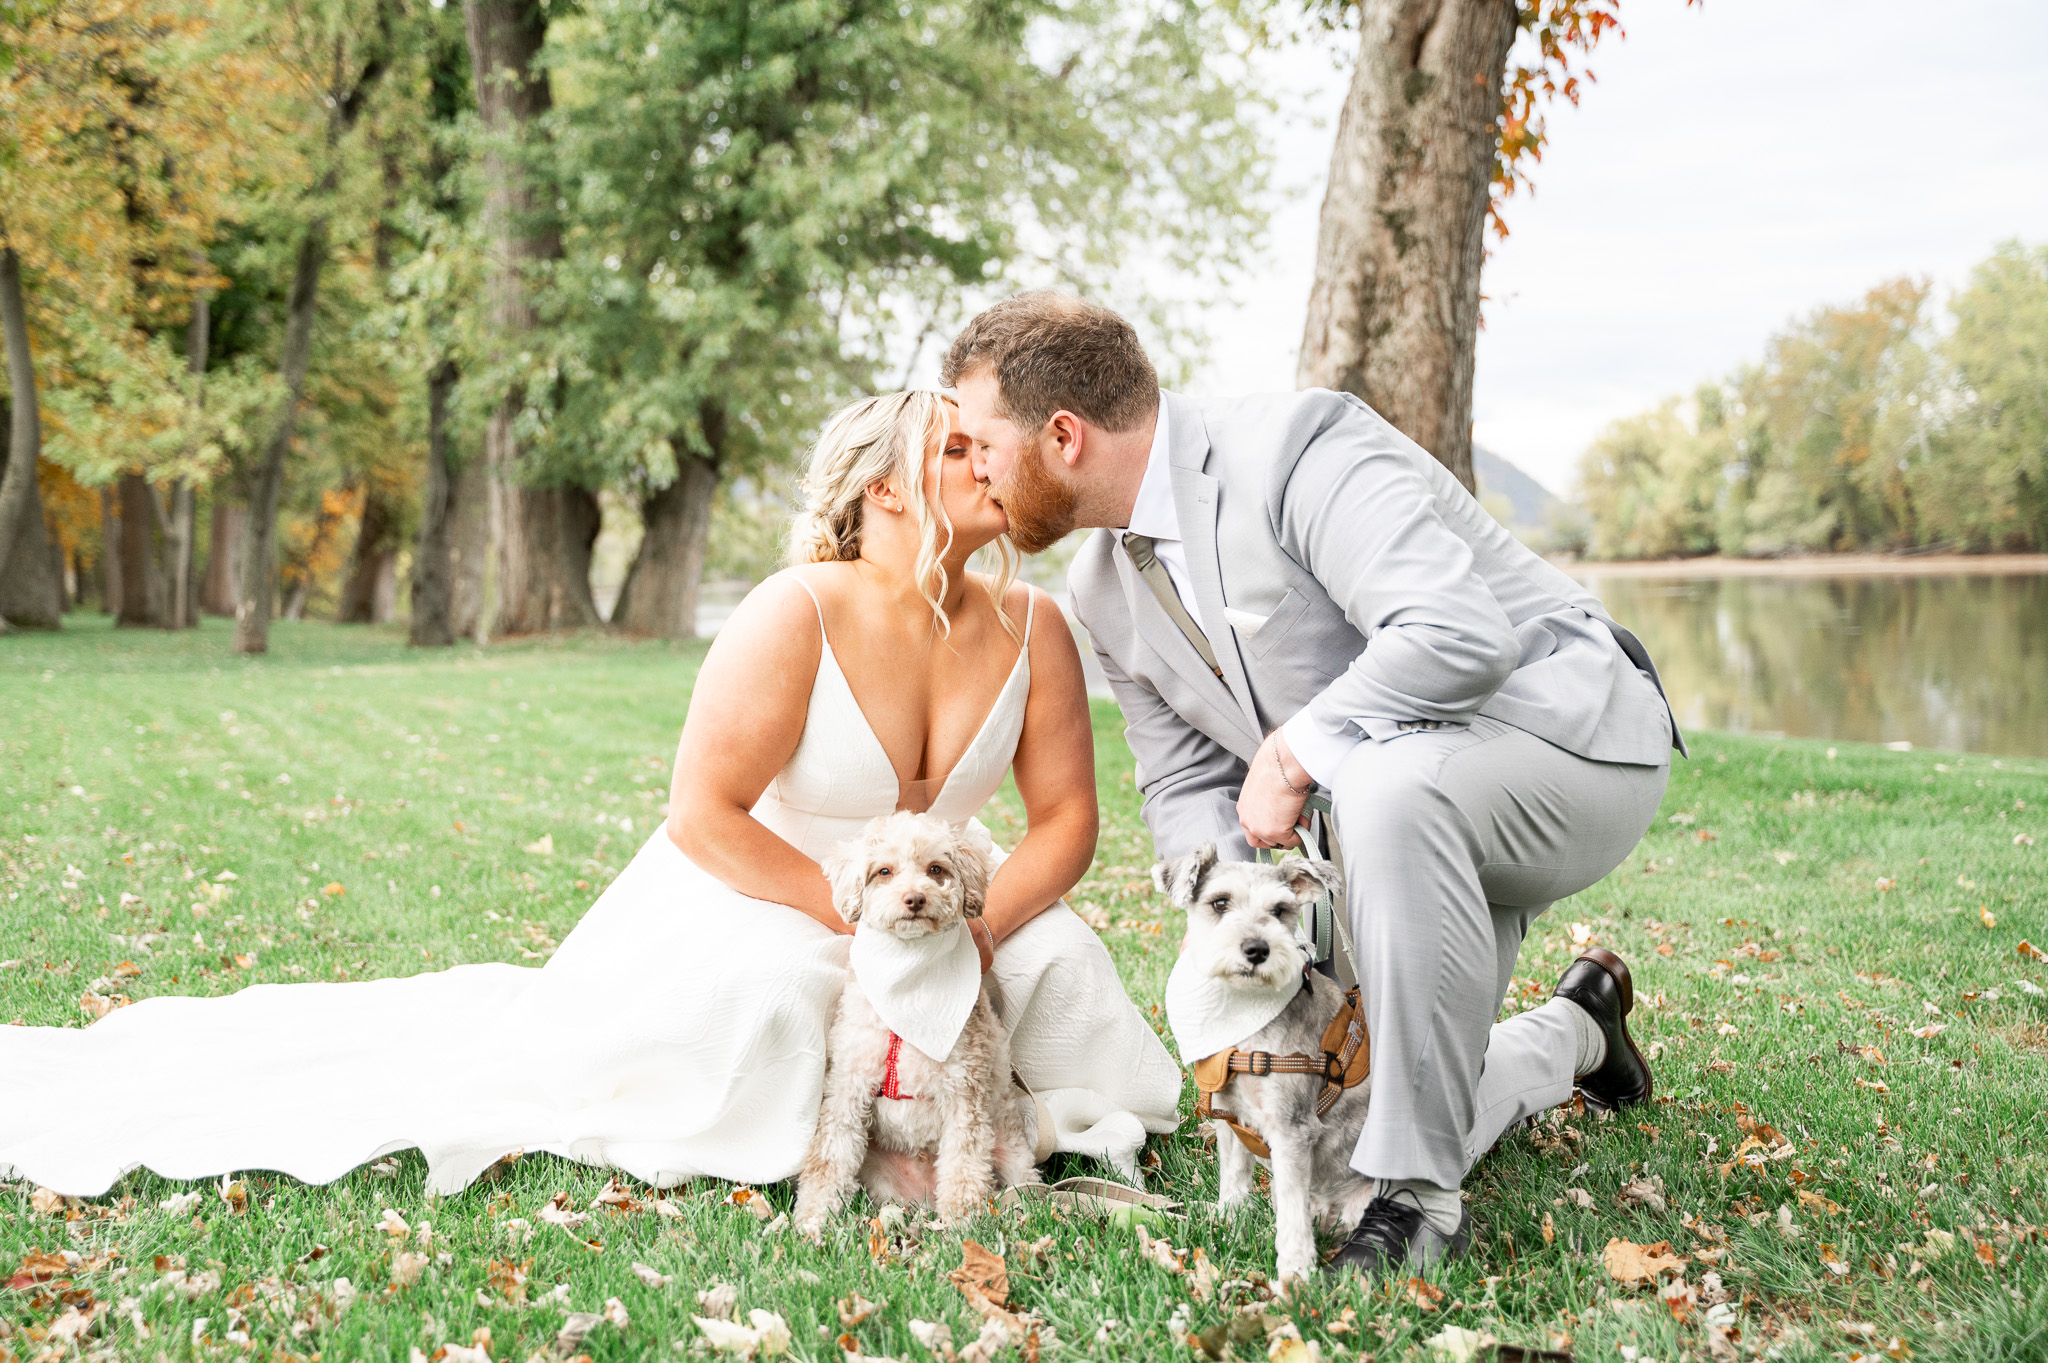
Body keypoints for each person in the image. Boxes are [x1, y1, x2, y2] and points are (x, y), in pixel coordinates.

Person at [0, 391, 1180, 1197]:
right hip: (768, 887)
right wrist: (860, 925)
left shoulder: (1036, 624)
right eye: (957, 451)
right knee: (784, 995)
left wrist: (969, 930)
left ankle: (981, 1116)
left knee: (1063, 971)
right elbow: (702, 814)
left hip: (952, 894)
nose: (993, 465)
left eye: (990, 448)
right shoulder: (794, 610)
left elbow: (1067, 820)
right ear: (880, 489)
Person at [945, 292, 1682, 1276]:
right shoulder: (1098, 591)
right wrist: (1232, 923)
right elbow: (1180, 780)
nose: (975, 467)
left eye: (980, 442)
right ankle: (1578, 1032)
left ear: (1063, 435)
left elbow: (1455, 632)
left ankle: (1416, 1208)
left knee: (1379, 783)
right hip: (1397, 833)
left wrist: (1292, 753)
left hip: (1566, 740)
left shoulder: (1296, 446)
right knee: (1358, 1119)